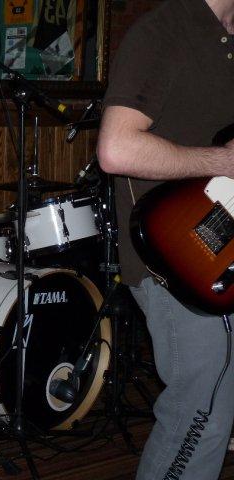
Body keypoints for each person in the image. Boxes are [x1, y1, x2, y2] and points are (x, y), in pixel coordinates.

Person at [96, 0, 234, 478]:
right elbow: (116, 148)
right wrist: (222, 161)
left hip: (224, 254)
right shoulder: (165, 30)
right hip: (176, 260)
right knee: (201, 416)